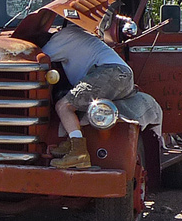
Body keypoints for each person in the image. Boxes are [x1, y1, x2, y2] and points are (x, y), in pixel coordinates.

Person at [41, 21, 134, 169]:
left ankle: (78, 154)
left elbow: (39, 58)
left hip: (109, 72)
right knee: (75, 101)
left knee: (64, 106)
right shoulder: (82, 35)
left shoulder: (64, 36)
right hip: (123, 76)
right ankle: (72, 142)